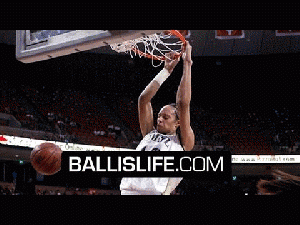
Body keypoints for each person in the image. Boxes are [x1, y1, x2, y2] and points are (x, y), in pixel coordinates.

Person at [120, 41, 195, 195]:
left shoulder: (183, 142)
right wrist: (166, 71)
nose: (159, 119)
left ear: (178, 123)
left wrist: (187, 64)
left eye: (166, 117)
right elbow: (143, 100)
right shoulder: (150, 132)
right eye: (159, 116)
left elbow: (183, 103)